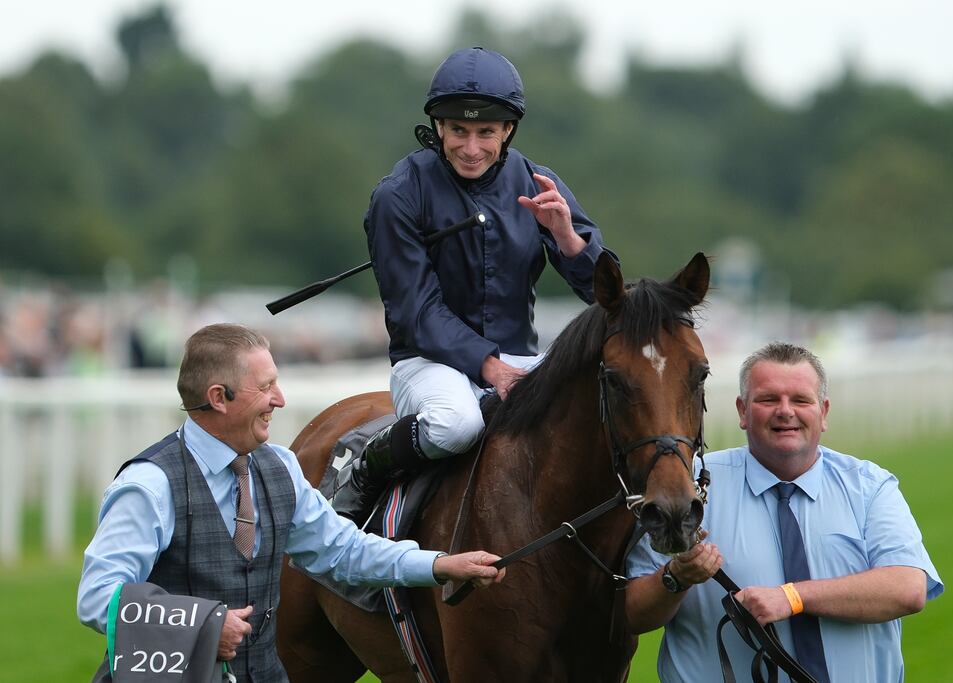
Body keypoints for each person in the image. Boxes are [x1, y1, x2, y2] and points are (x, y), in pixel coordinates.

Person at [77, 323, 505, 683]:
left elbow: (343, 551)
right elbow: (97, 598)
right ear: (218, 397)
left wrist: (439, 565)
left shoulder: (280, 466)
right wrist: (201, 627)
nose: (279, 399)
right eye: (265, 387)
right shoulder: (150, 484)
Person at [334, 46, 616, 523]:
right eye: (458, 131)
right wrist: (493, 369)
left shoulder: (537, 180)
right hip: (427, 363)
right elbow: (415, 312)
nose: (470, 148)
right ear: (438, 127)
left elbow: (605, 294)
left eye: (486, 132)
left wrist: (568, 238)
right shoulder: (398, 195)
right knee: (457, 425)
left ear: (508, 130)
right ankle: (367, 465)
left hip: (519, 356)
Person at [624, 342, 943, 683]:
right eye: (768, 399)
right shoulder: (684, 487)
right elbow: (630, 614)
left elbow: (908, 588)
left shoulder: (869, 486)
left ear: (823, 412)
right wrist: (676, 577)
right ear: (742, 411)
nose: (785, 411)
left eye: (800, 400)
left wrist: (791, 597)